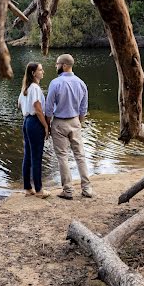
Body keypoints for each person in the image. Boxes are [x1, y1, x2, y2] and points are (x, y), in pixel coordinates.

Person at [45, 53, 93, 200]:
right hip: (75, 121)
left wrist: (47, 125)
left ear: (65, 65)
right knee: (80, 156)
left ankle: (68, 191)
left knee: (62, 157)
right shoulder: (81, 83)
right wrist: (79, 122)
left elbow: (48, 109)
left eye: (58, 63)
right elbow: (84, 108)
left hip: (59, 122)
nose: (56, 66)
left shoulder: (55, 83)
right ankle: (87, 189)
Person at [18, 62, 50, 198]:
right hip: (34, 122)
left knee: (28, 155)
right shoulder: (35, 88)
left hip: (26, 122)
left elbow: (19, 104)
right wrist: (45, 125)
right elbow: (37, 108)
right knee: (36, 156)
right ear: (33, 73)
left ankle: (27, 188)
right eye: (40, 70)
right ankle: (39, 190)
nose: (43, 72)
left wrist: (27, 112)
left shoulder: (26, 87)